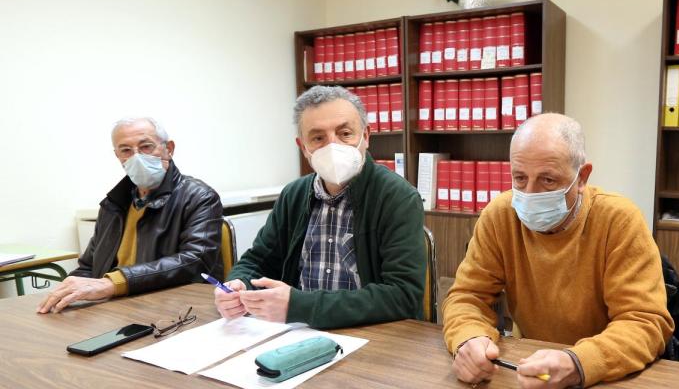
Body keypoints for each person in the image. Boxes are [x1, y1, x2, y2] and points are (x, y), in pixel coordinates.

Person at [443, 113, 673, 389]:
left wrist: (576, 363)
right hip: (527, 371)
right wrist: (469, 337)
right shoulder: (500, 215)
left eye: (548, 180)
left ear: (582, 177)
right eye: (520, 178)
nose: (529, 193)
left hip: (607, 382)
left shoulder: (620, 220)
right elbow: (467, 297)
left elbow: (645, 322)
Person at [213, 85, 424, 328]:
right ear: (303, 146)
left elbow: (403, 296)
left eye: (345, 133)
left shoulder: (397, 197)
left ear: (366, 136)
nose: (332, 146)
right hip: (298, 331)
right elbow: (258, 260)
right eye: (318, 138)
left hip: (373, 334)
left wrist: (299, 305)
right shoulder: (293, 195)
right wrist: (238, 284)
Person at [37, 117, 222, 313]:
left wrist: (113, 283)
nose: (136, 157)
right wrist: (69, 293)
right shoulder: (113, 203)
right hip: (114, 308)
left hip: (171, 310)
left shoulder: (199, 196)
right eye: (126, 150)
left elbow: (195, 261)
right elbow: (89, 266)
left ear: (169, 148)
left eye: (146, 147)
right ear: (117, 156)